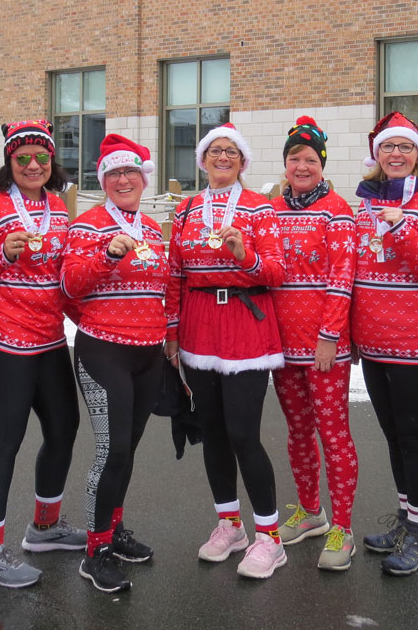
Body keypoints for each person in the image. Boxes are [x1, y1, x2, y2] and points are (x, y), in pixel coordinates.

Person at [0, 120, 83, 588]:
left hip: (50, 337)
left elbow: (66, 273)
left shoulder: (57, 206)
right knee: (4, 442)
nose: (33, 165)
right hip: (5, 342)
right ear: (9, 163)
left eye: (42, 157)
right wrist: (1, 257)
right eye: (23, 157)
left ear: (52, 163)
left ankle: (45, 526)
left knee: (63, 428)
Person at [163, 123, 288, 579]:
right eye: (214, 150)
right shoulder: (187, 208)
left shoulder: (260, 207)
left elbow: (276, 271)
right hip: (198, 326)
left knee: (243, 433)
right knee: (212, 430)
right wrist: (171, 332)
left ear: (243, 161)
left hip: (246, 326)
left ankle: (269, 538)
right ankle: (229, 524)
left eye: (231, 152)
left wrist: (244, 258)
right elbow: (175, 273)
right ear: (202, 159)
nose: (222, 157)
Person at [351, 112, 418, 576]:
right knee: (394, 437)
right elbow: (354, 273)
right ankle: (404, 518)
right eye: (388, 147)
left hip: (416, 343)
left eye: (406, 147)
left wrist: (402, 229)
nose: (396, 154)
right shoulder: (364, 204)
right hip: (373, 341)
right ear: (377, 155)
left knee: (414, 437)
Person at [61, 134, 168, 592]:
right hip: (104, 351)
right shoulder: (87, 224)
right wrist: (107, 256)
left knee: (129, 448)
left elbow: (164, 287)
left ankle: (115, 531)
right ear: (103, 180)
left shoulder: (153, 230)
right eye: (114, 174)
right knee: (112, 451)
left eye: (131, 173)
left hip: (148, 353)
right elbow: (68, 286)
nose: (124, 180)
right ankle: (95, 549)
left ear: (144, 179)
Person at [267, 116, 359, 570]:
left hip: (325, 348)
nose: (301, 166)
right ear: (284, 164)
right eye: (293, 159)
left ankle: (342, 526)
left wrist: (329, 337)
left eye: (309, 159)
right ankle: (310, 511)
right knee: (298, 432)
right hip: (282, 348)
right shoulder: (272, 210)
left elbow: (343, 278)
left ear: (321, 164)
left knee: (333, 433)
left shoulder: (337, 209)